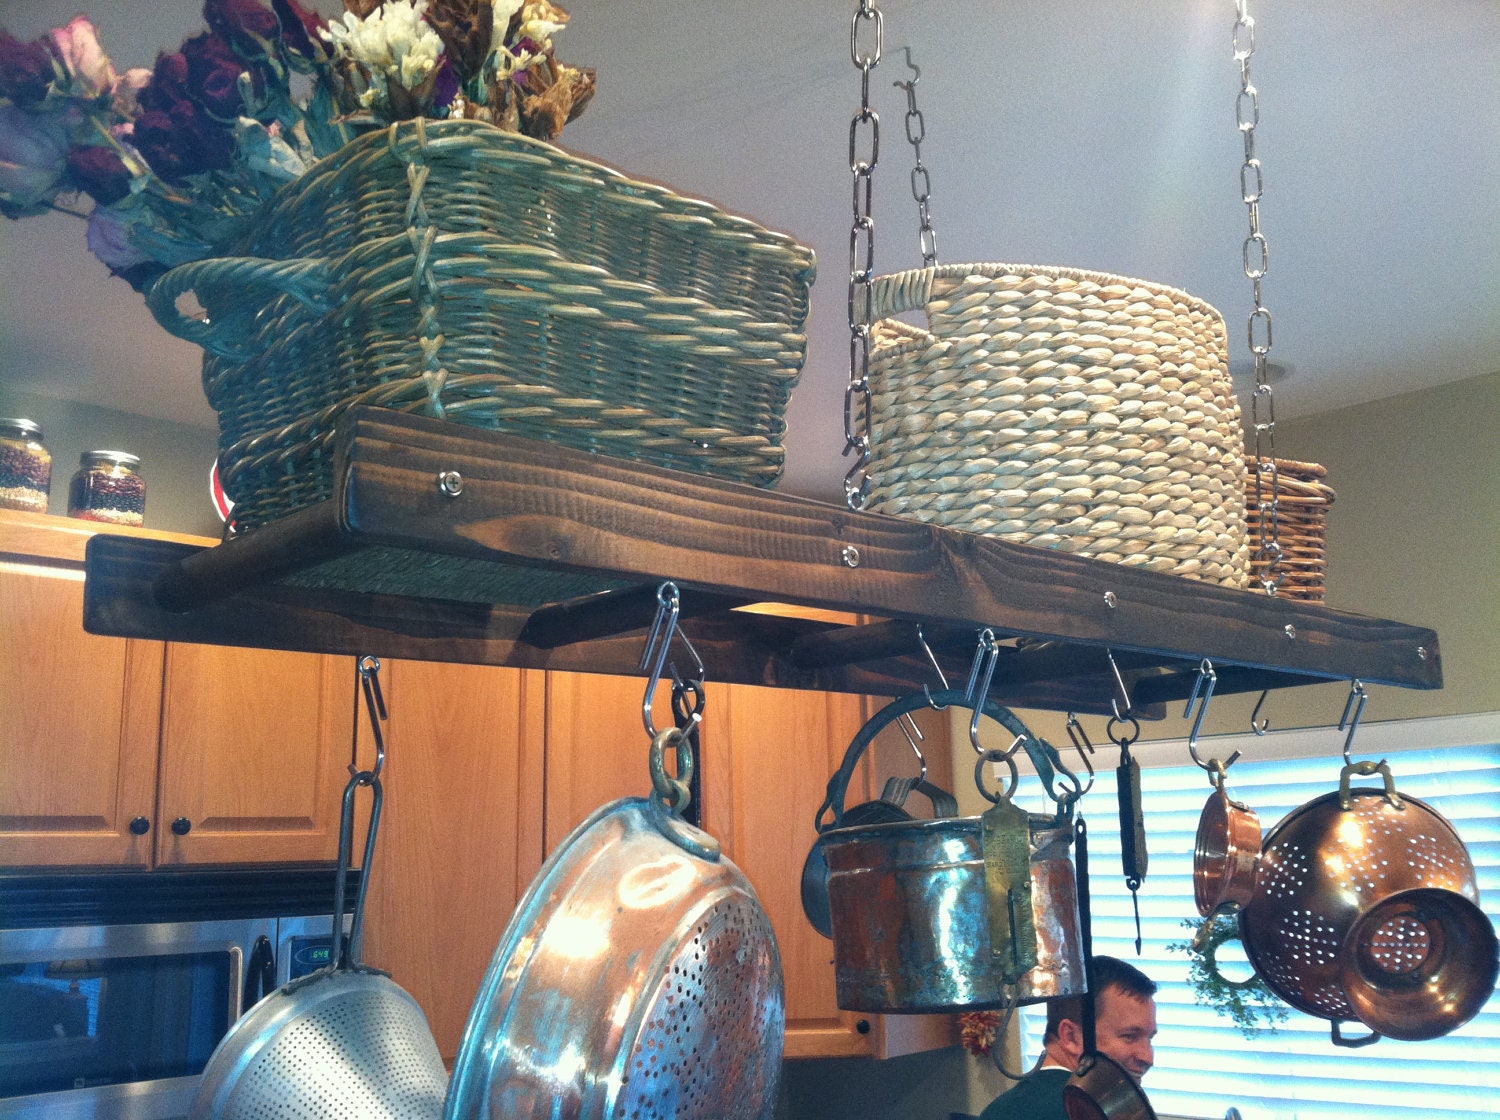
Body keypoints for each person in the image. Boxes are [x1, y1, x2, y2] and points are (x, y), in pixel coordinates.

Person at [977, 955, 1158, 1120]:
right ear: (1071, 1036)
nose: (1147, 1057)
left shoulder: (997, 1109)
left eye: (1149, 1038)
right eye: (1129, 1036)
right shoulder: (1088, 1111)